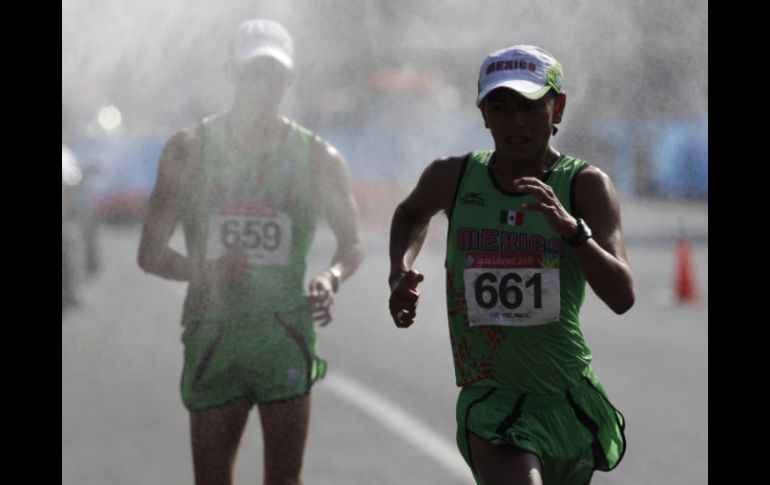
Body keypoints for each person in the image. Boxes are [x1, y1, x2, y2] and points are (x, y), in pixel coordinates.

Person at [388, 44, 634, 485]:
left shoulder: (585, 185)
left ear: (557, 107)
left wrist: (573, 232)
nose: (515, 122)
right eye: (499, 107)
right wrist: (399, 271)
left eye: (529, 106)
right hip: (492, 400)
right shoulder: (454, 177)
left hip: (567, 398)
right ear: (482, 113)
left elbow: (622, 296)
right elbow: (410, 213)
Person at [138, 18, 365, 485]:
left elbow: (353, 243)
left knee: (285, 479)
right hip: (215, 333)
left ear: (291, 77)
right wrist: (207, 271)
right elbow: (149, 252)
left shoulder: (319, 157)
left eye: (273, 75)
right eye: (251, 73)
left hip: (284, 334)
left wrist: (331, 278)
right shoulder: (189, 150)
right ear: (230, 73)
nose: (263, 86)